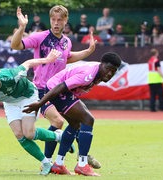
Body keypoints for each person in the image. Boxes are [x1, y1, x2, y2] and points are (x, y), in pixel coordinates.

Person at [10, 5, 101, 171]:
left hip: (58, 91)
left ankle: (56, 162)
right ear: (50, 20)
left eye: (60, 19)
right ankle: (53, 160)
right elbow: (16, 45)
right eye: (53, 19)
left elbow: (69, 58)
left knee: (75, 123)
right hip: (41, 90)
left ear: (66, 21)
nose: (56, 23)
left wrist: (88, 50)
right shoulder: (41, 37)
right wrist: (22, 27)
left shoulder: (66, 42)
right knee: (58, 121)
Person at [0, 49, 63, 175]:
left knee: (29, 133)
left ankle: (59, 136)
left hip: (28, 96)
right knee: (19, 134)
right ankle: (46, 163)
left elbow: (27, 63)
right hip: (10, 103)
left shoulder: (10, 75)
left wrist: (48, 60)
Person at [23, 52, 122, 176]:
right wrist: (39, 103)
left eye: (113, 71)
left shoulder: (98, 72)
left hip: (63, 91)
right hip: (56, 89)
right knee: (88, 119)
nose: (110, 73)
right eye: (108, 69)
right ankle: (82, 164)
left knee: (75, 124)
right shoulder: (89, 74)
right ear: (101, 65)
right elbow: (61, 86)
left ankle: (58, 164)